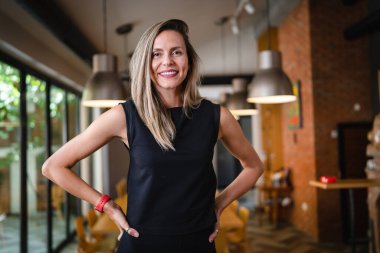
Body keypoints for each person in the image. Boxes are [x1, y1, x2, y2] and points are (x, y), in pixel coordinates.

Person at [42, 19, 263, 253]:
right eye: (156, 54)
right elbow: (53, 167)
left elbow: (253, 167)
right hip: (141, 244)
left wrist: (219, 205)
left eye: (176, 52)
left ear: (188, 59)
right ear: (145, 64)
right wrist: (107, 206)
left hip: (199, 243)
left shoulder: (217, 116)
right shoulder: (124, 116)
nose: (167, 61)